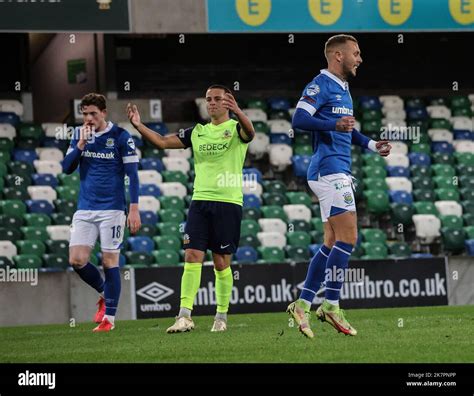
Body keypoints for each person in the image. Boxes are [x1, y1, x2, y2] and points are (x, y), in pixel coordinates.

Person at [287, 35, 392, 338]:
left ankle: (303, 303)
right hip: (329, 171)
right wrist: (333, 125)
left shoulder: (344, 89)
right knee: (349, 238)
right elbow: (299, 120)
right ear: (337, 56)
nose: (360, 59)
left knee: (333, 242)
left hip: (335, 170)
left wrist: (372, 144)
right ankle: (330, 304)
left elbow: (348, 130)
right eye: (356, 54)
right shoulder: (319, 85)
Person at [126, 85, 255, 332]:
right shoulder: (197, 132)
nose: (212, 103)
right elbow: (163, 142)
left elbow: (251, 132)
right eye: (208, 100)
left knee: (220, 263)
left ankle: (221, 316)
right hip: (200, 202)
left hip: (228, 203)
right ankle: (184, 315)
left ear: (228, 102)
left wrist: (238, 112)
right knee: (192, 255)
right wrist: (139, 126)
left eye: (218, 99)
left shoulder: (236, 129)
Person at [63, 93, 141, 332]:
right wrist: (81, 145)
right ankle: (104, 294)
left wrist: (134, 208)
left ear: (103, 113)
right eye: (84, 114)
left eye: (93, 114)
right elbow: (67, 168)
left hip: (112, 210)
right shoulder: (79, 135)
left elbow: (133, 175)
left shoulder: (121, 136)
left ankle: (110, 319)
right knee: (76, 260)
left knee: (109, 262)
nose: (88, 118)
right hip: (85, 209)